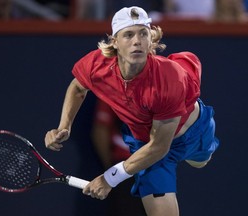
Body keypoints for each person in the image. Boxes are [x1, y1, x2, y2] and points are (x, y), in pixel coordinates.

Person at [44, 6, 220, 216]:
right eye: (128, 34)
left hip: (192, 133)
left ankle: (202, 151)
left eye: (143, 34)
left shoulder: (169, 78)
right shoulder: (96, 65)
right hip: (148, 145)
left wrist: (110, 178)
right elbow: (78, 87)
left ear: (150, 40)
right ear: (115, 42)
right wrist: (64, 126)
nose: (137, 41)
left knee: (201, 161)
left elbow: (160, 146)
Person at [92, 99, 145, 215]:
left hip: (152, 168)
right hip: (123, 170)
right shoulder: (110, 90)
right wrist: (112, 171)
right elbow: (100, 130)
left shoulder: (159, 91)